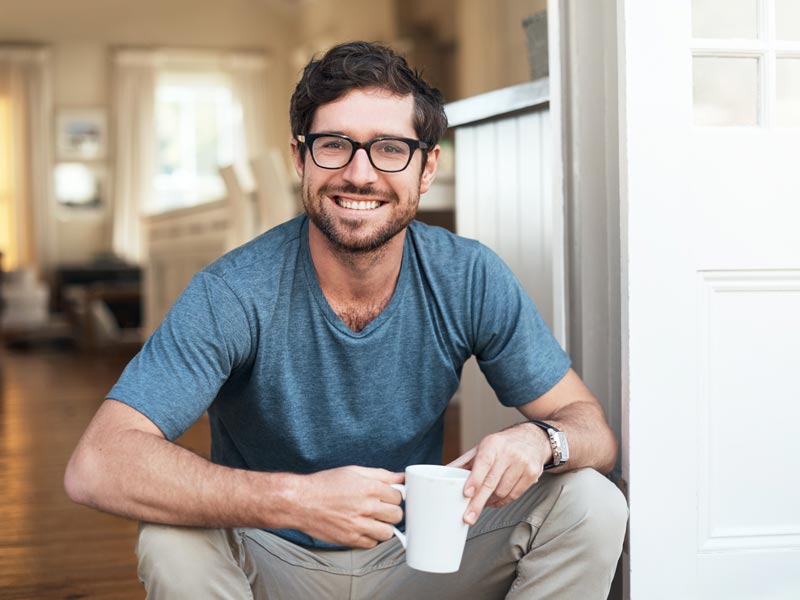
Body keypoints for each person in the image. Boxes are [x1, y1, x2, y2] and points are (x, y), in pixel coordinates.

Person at [65, 41, 627, 599]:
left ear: (427, 167)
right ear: (300, 158)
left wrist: (539, 440)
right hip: (268, 564)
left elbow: (591, 431)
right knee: (169, 534)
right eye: (334, 145)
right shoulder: (231, 292)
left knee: (590, 501)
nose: (360, 175)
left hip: (416, 561)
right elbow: (97, 464)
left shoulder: (468, 275)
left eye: (390, 149)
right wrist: (297, 501)